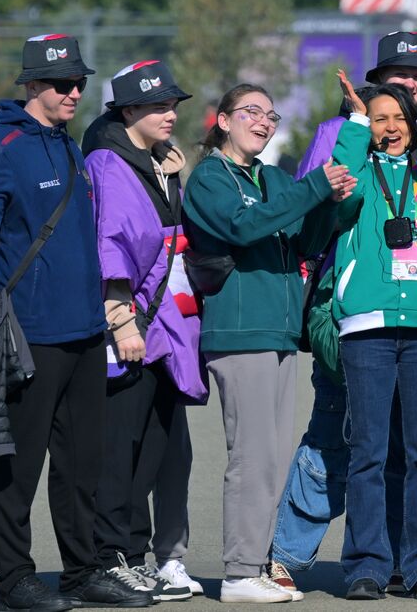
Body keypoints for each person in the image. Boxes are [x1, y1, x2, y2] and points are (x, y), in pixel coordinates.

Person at [0, 34, 149, 610]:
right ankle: (14, 576)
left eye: (80, 83)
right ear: (34, 85)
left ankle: (81, 571)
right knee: (18, 461)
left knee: (81, 464)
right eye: (65, 83)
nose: (75, 92)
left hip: (85, 331)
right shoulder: (7, 142)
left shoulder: (68, 146)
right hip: (31, 334)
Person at [270, 31, 417, 591]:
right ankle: (289, 557)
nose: (409, 86)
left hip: (416, 312)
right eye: (397, 76)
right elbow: (315, 217)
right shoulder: (336, 131)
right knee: (336, 437)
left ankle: (402, 562)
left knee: (408, 448)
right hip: (347, 311)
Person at [182, 83, 354, 604]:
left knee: (273, 458)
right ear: (224, 120)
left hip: (279, 333)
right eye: (250, 111)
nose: (262, 121)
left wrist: (329, 200)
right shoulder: (211, 177)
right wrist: (312, 189)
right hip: (239, 333)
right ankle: (238, 573)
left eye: (270, 115)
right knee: (252, 458)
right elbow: (243, 226)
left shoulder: (275, 177)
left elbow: (304, 239)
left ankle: (254, 564)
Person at [329, 71, 417, 600]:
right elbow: (337, 184)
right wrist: (355, 122)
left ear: (413, 128)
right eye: (379, 119)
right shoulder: (361, 175)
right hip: (366, 324)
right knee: (368, 450)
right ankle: (367, 564)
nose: (390, 127)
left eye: (399, 119)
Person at [83, 61, 207, 603]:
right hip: (132, 327)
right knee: (120, 448)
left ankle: (133, 556)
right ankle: (109, 556)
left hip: (168, 332)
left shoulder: (155, 164)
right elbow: (110, 241)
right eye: (158, 106)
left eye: (173, 105)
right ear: (128, 110)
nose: (170, 114)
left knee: (153, 447)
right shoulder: (109, 163)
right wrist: (121, 318)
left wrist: (170, 176)